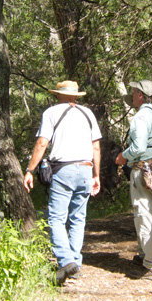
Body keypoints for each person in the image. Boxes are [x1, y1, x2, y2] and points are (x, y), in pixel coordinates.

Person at [23, 80, 102, 286]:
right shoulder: (88, 114)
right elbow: (96, 147)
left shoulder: (51, 113)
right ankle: (75, 263)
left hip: (63, 170)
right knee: (78, 218)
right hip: (86, 168)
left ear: (58, 94)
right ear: (76, 96)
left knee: (56, 218)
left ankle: (66, 261)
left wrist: (30, 170)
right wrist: (96, 175)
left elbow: (42, 143)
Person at [115, 80, 152, 281]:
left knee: (144, 214)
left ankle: (151, 265)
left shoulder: (140, 117)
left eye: (133, 91)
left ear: (140, 94)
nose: (132, 94)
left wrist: (123, 156)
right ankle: (143, 255)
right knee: (148, 211)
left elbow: (138, 148)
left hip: (143, 169)